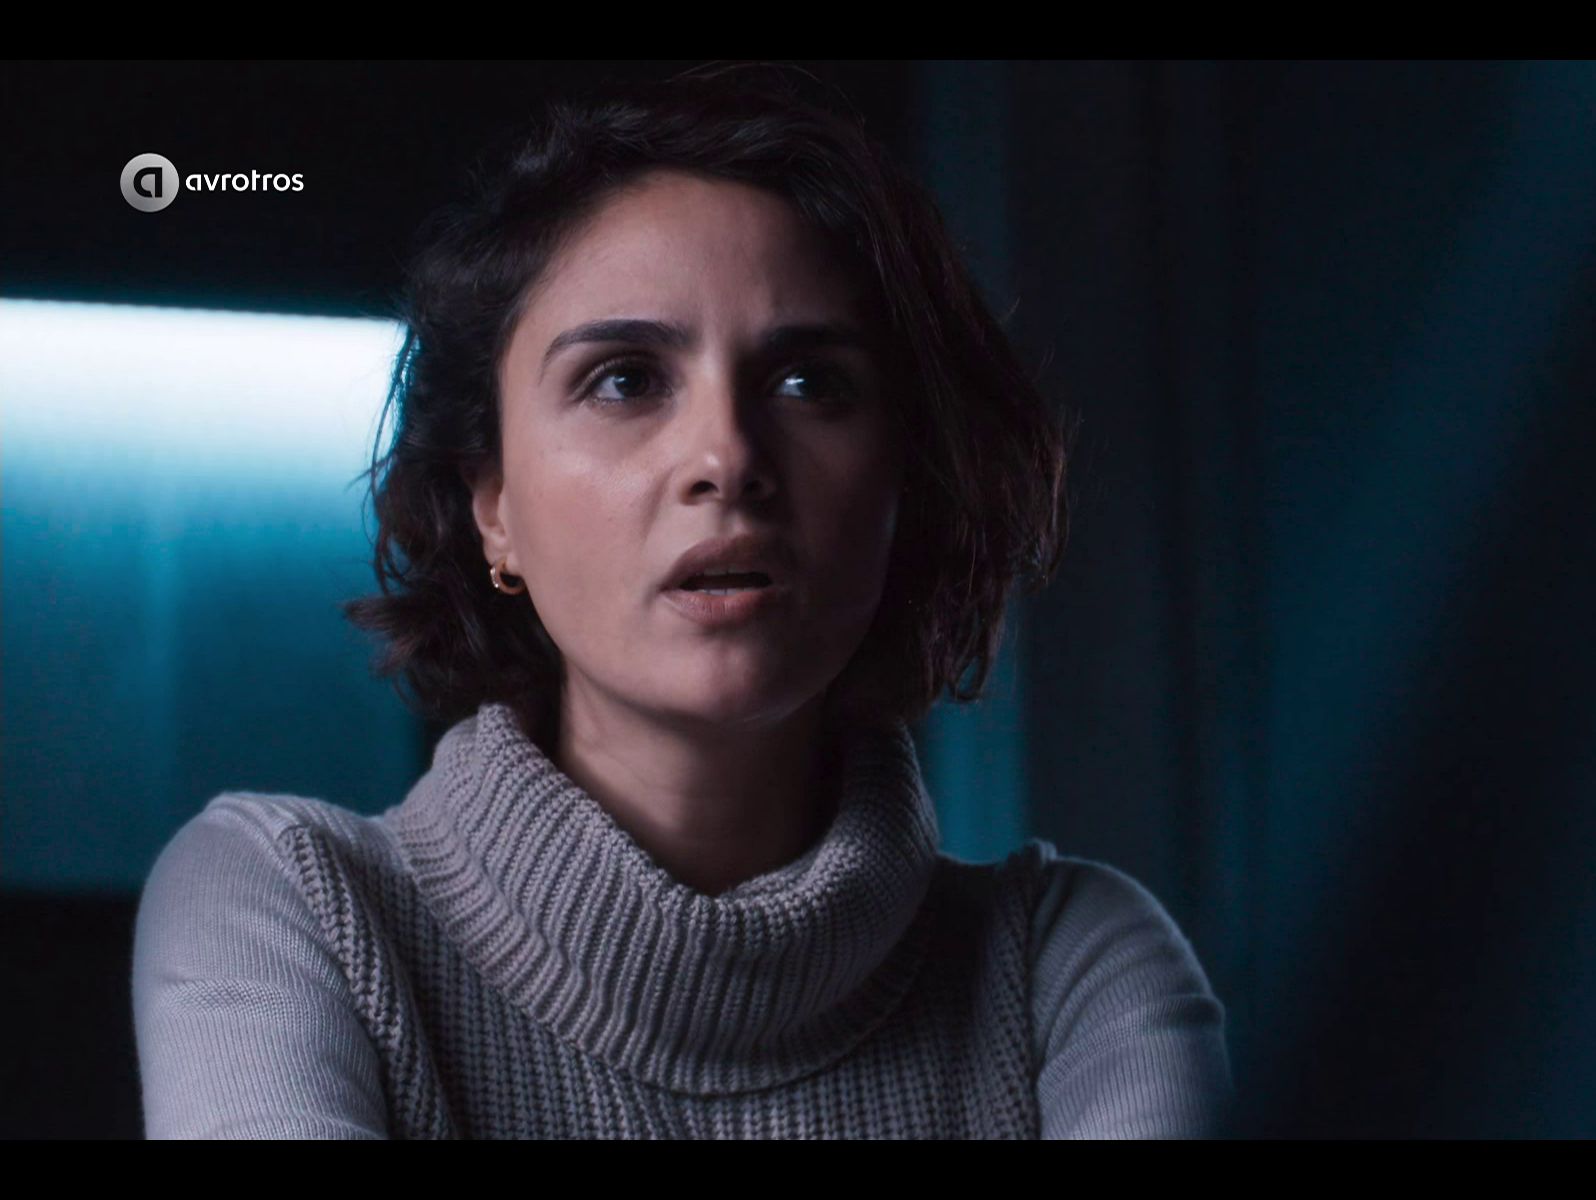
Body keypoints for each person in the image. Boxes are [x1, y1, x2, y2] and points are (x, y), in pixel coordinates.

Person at [130, 63, 1233, 1139]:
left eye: (810, 383)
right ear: (492, 503)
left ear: (906, 481)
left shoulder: (1070, 970)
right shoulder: (287, 904)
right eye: (624, 380)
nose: (726, 457)